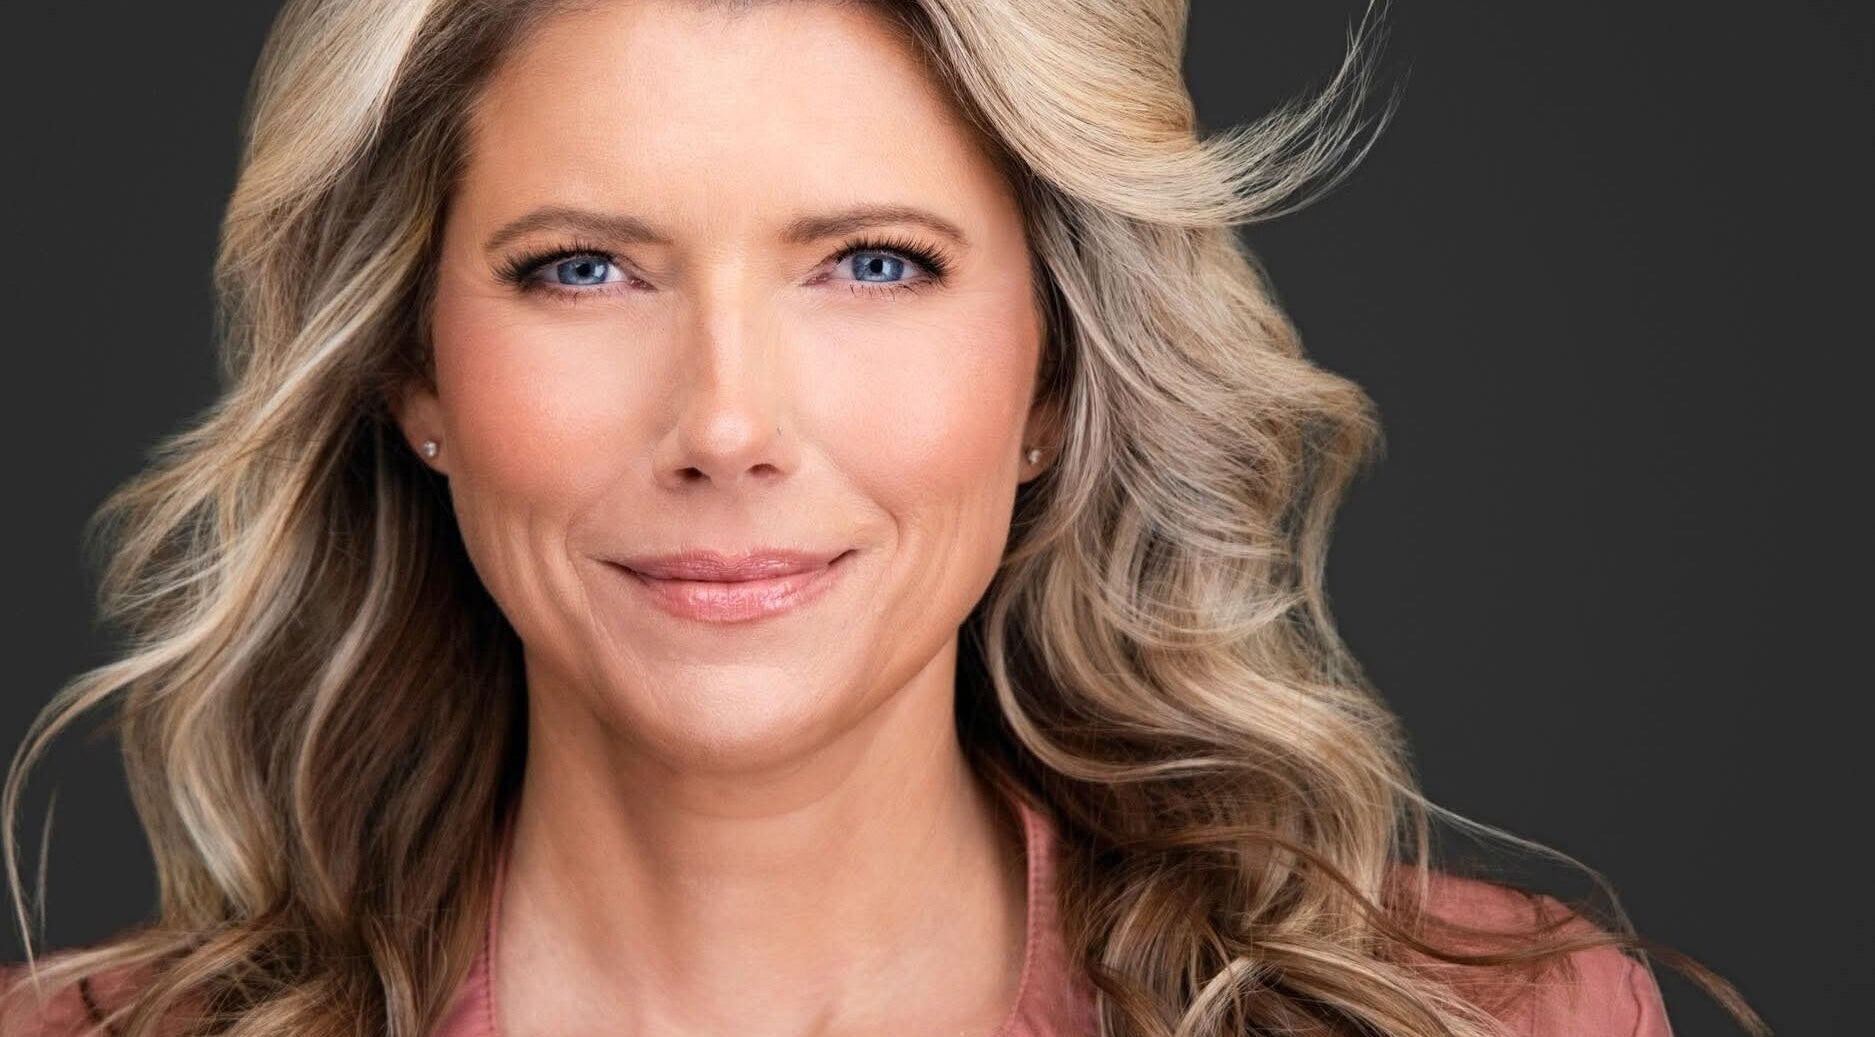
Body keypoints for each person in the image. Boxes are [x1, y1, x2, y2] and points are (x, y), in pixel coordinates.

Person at [1, 1, 1768, 1035]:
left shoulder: (1508, 1020)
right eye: (584, 267)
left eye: (872, 262)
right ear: (417, 376)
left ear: (1053, 375)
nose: (729, 423)